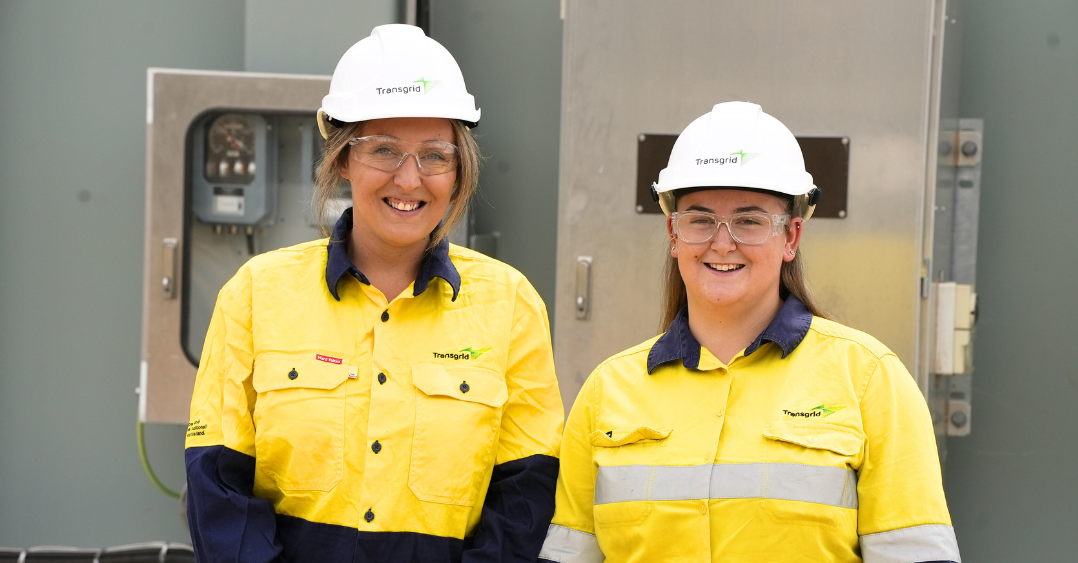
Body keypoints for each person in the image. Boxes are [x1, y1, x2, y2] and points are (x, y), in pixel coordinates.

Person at [184, 24, 563, 563]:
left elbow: (524, 498)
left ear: (458, 169)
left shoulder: (511, 306)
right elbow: (219, 487)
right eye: (384, 150)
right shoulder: (256, 294)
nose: (409, 180)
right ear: (342, 158)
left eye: (435, 155)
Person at [537, 102, 961, 563]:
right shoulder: (607, 391)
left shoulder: (869, 380)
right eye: (700, 220)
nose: (722, 243)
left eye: (749, 221)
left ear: (791, 237)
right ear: (674, 234)